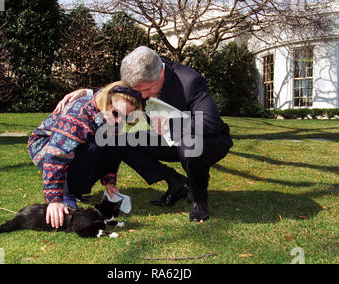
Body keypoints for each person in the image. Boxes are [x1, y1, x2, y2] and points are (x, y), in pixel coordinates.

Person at [55, 46, 233, 222]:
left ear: (160, 75)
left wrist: (169, 124)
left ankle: (198, 199)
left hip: (208, 141)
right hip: (169, 139)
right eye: (138, 91)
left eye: (146, 90)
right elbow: (119, 93)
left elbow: (210, 123)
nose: (142, 96)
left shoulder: (190, 81)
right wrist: (87, 92)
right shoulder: (141, 73)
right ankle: (176, 182)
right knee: (124, 141)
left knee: (189, 145)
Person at [28, 81, 142, 228]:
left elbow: (111, 150)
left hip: (80, 147)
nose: (119, 121)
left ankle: (76, 188)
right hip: (47, 148)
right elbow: (56, 156)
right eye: (115, 113)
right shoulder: (77, 115)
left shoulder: (112, 114)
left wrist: (110, 181)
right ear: (106, 101)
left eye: (126, 117)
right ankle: (67, 192)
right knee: (92, 147)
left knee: (118, 143)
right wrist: (54, 199)